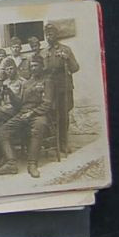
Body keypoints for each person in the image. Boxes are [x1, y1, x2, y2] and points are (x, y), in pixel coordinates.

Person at [0, 57, 55, 178]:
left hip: (39, 114)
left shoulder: (47, 81)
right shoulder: (26, 83)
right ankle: (11, 163)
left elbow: (47, 103)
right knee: (2, 131)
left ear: (42, 67)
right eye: (31, 66)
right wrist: (10, 94)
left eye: (36, 65)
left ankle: (32, 164)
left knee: (38, 128)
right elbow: (20, 103)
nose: (33, 68)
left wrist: (32, 113)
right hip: (23, 113)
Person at [41, 23, 80, 154]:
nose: (49, 37)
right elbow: (41, 72)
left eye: (51, 34)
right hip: (50, 88)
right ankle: (54, 142)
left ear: (56, 35)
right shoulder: (43, 52)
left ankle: (63, 143)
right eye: (47, 35)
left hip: (64, 87)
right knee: (51, 114)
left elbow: (75, 68)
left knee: (63, 115)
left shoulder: (66, 50)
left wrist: (67, 59)